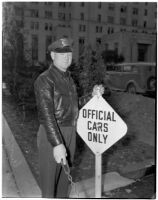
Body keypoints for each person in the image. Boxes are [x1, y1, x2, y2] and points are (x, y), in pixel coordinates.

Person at [34, 38, 104, 198]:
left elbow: (73, 105)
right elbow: (46, 115)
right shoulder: (45, 79)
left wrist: (92, 96)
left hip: (70, 133)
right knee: (49, 187)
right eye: (62, 53)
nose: (67, 56)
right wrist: (57, 144)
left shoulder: (69, 79)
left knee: (63, 185)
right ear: (53, 55)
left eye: (69, 53)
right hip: (51, 134)